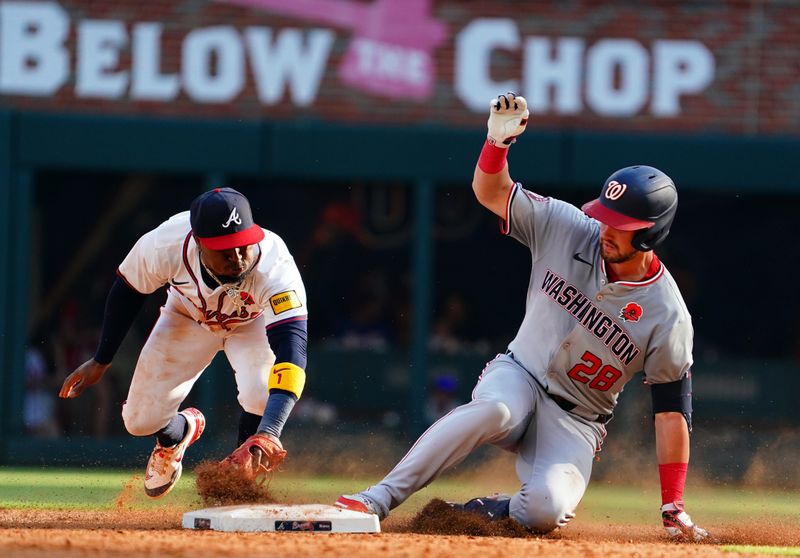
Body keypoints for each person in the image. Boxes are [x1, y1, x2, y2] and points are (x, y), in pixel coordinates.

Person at [335, 93, 708, 541]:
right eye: (605, 216)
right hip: (520, 374)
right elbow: (490, 192)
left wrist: (673, 505)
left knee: (544, 511)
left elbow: (671, 413)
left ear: (650, 234)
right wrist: (497, 143)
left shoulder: (667, 314)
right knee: (493, 409)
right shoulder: (568, 226)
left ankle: (482, 510)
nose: (606, 229)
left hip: (578, 420)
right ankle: (377, 498)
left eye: (621, 225)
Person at [59, 187, 308, 497]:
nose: (238, 257)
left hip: (251, 323)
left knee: (263, 396)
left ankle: (238, 485)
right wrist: (101, 359)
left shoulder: (274, 264)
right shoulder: (168, 242)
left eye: (242, 244)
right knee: (138, 421)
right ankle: (176, 434)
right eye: (225, 249)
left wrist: (269, 432)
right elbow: (128, 291)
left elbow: (292, 347)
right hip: (188, 316)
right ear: (200, 242)